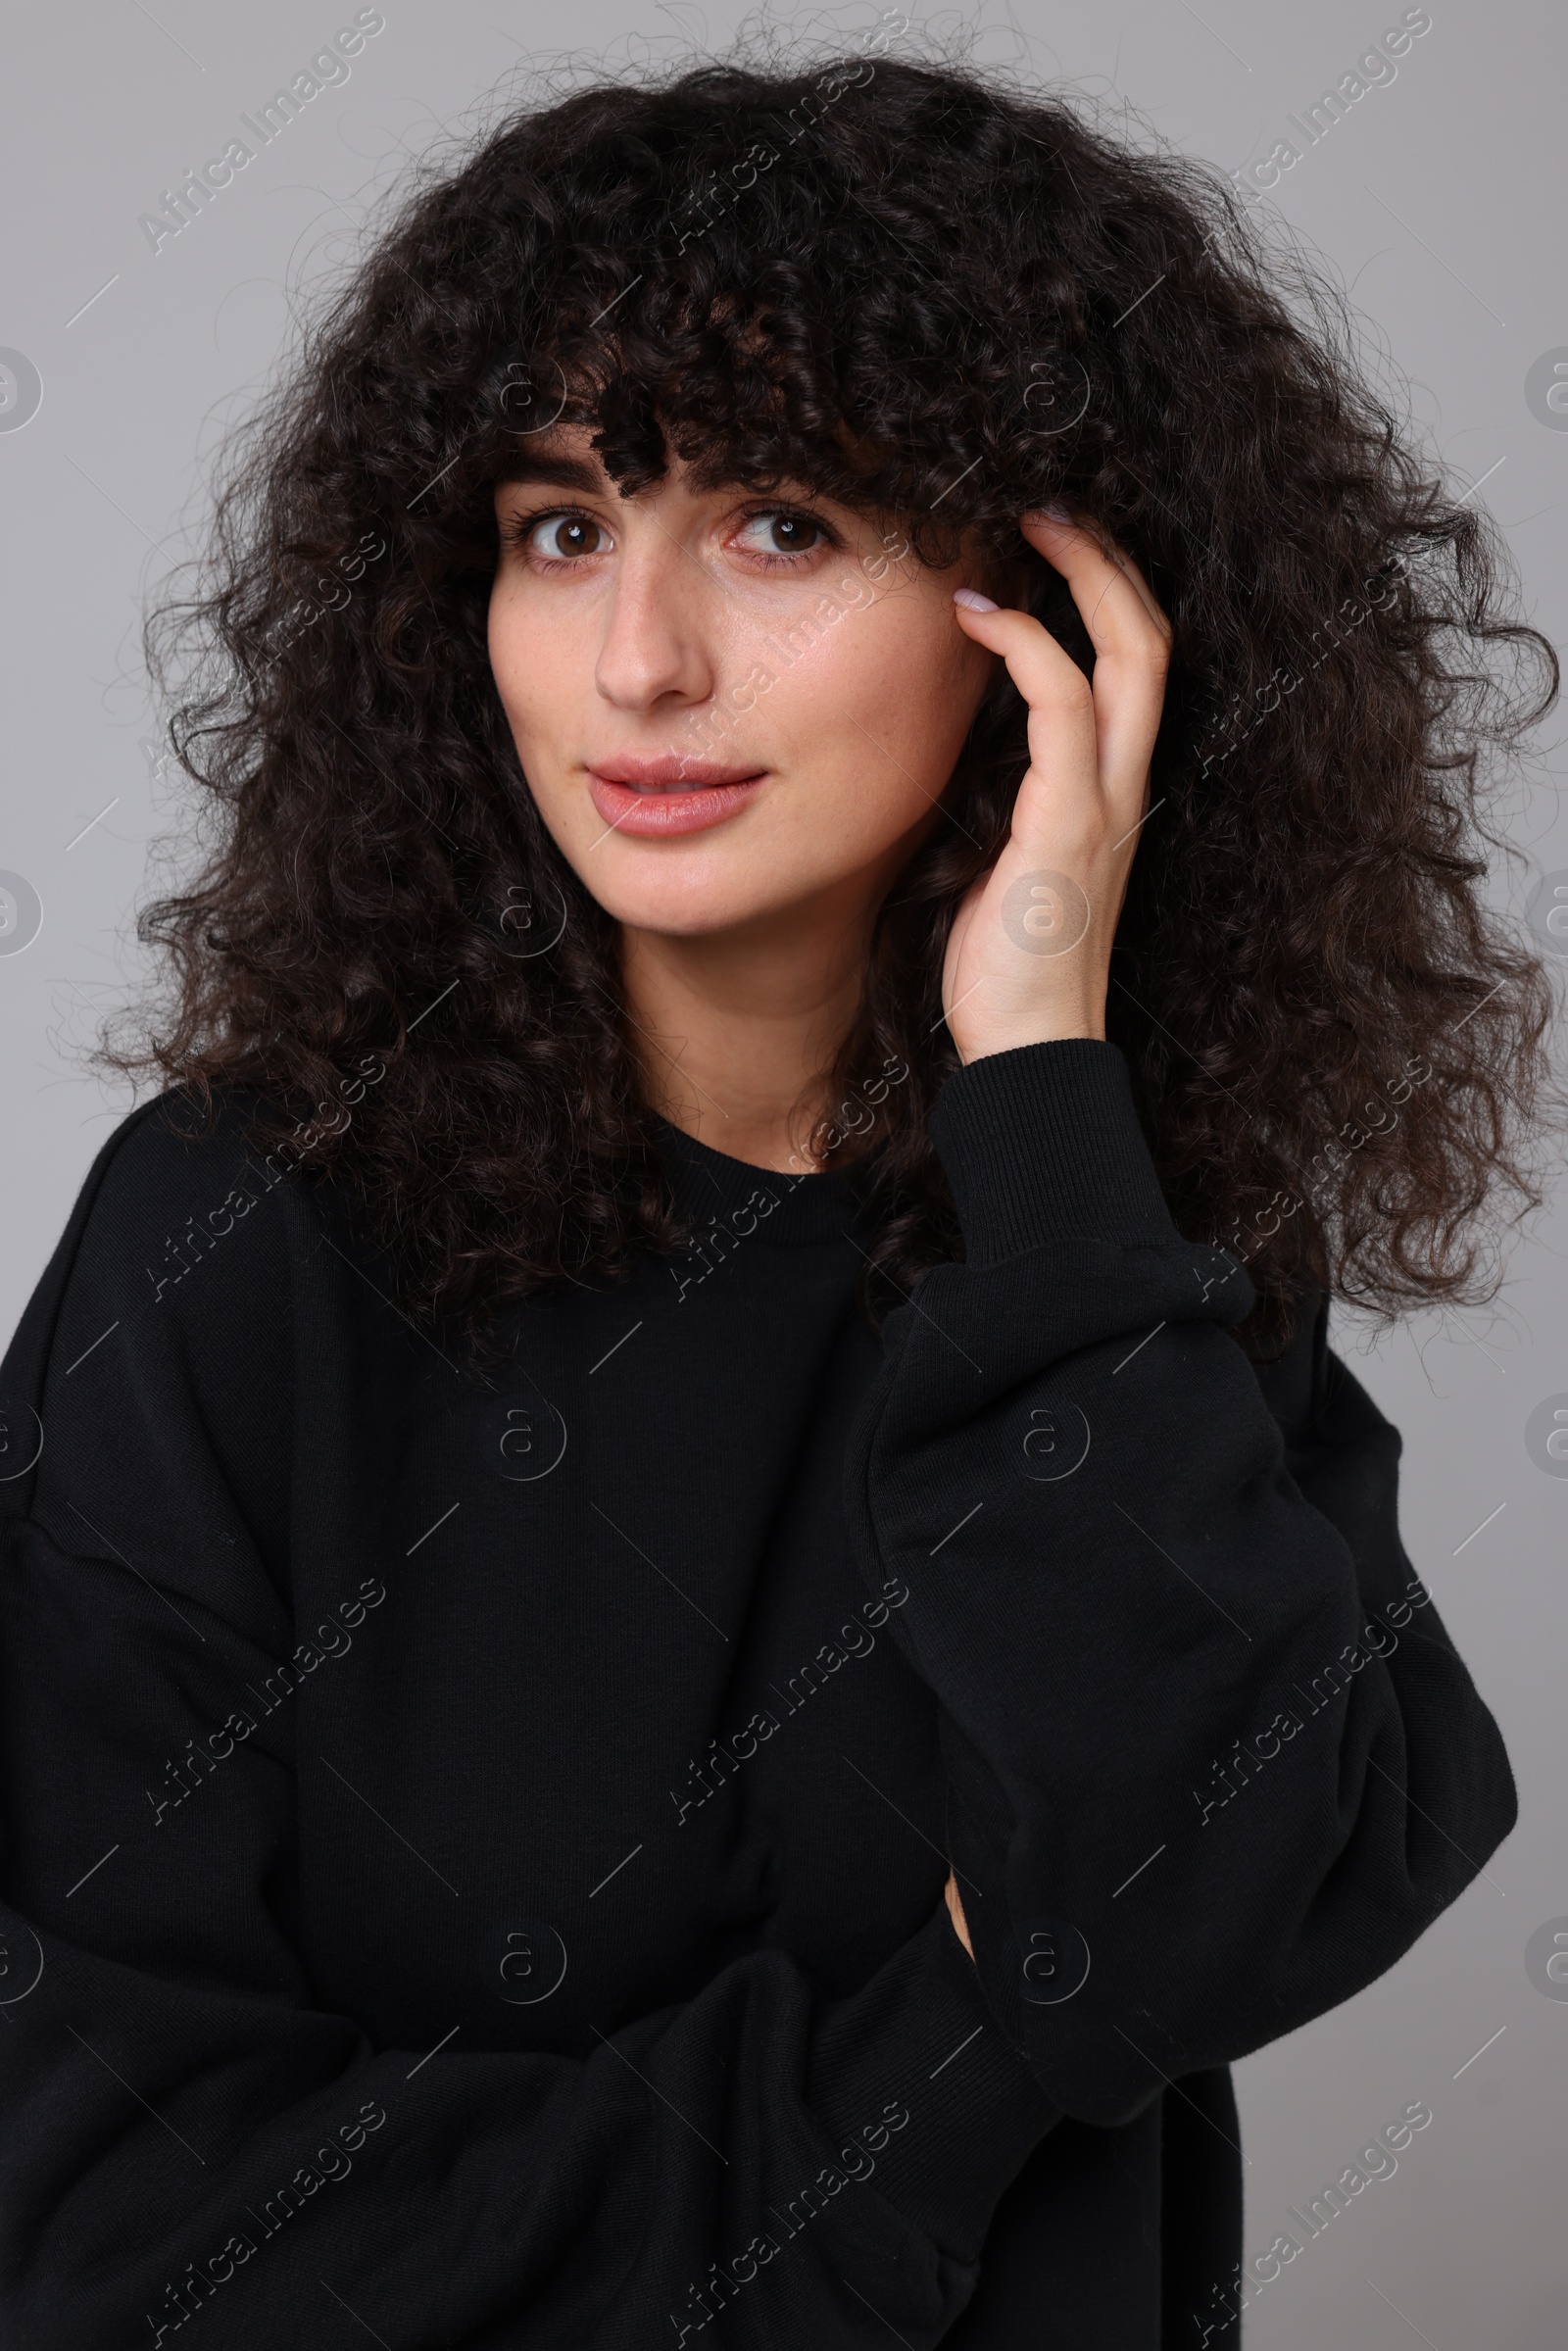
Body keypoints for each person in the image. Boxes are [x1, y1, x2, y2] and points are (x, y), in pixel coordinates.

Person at [0, 48, 1549, 2351]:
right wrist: (949, 2050)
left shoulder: (1097, 1239)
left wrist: (1039, 1059)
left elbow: (1237, 1879)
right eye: (557, 525)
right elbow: (106, 2243)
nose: (636, 662)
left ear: (1044, 600)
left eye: (782, 525)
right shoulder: (235, 1251)